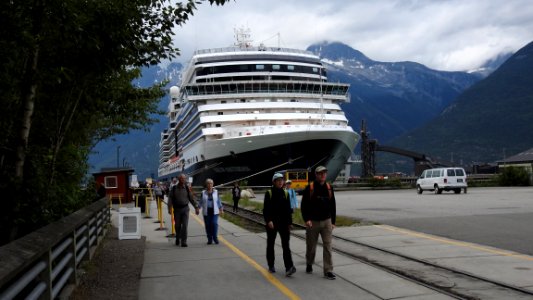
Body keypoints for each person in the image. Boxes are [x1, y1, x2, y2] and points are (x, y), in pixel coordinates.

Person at [301, 166, 337, 280]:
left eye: (324, 173)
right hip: (313, 222)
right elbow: (304, 206)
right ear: (316, 175)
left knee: (328, 246)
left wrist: (333, 221)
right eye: (320, 173)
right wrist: (307, 220)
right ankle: (309, 263)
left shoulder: (329, 187)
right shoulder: (310, 188)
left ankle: (328, 270)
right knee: (311, 247)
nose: (323, 175)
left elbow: (333, 206)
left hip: (327, 221)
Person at [263, 173, 296, 277]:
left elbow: (288, 210)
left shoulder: (285, 193)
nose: (281, 182)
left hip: (283, 223)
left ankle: (289, 267)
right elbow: (266, 209)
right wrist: (268, 221)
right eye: (278, 180)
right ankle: (271, 265)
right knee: (271, 244)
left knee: (286, 245)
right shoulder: (269, 193)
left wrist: (290, 223)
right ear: (274, 182)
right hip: (272, 223)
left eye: (282, 180)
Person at [167, 174, 199, 247]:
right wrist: (169, 208)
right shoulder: (174, 188)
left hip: (185, 209)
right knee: (177, 225)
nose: (183, 180)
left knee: (185, 226)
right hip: (177, 209)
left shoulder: (187, 188)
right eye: (181, 179)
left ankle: (184, 241)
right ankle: (178, 237)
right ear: (179, 179)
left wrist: (196, 207)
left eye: (184, 179)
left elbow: (191, 199)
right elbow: (170, 199)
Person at [198, 179, 224, 244]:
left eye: (211, 184)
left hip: (215, 211)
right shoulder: (203, 192)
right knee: (207, 225)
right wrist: (198, 208)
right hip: (206, 212)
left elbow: (218, 201)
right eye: (208, 184)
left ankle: (215, 237)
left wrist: (221, 209)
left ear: (213, 184)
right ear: (206, 185)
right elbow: (200, 201)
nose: (210, 185)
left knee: (214, 223)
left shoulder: (216, 192)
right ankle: (209, 239)